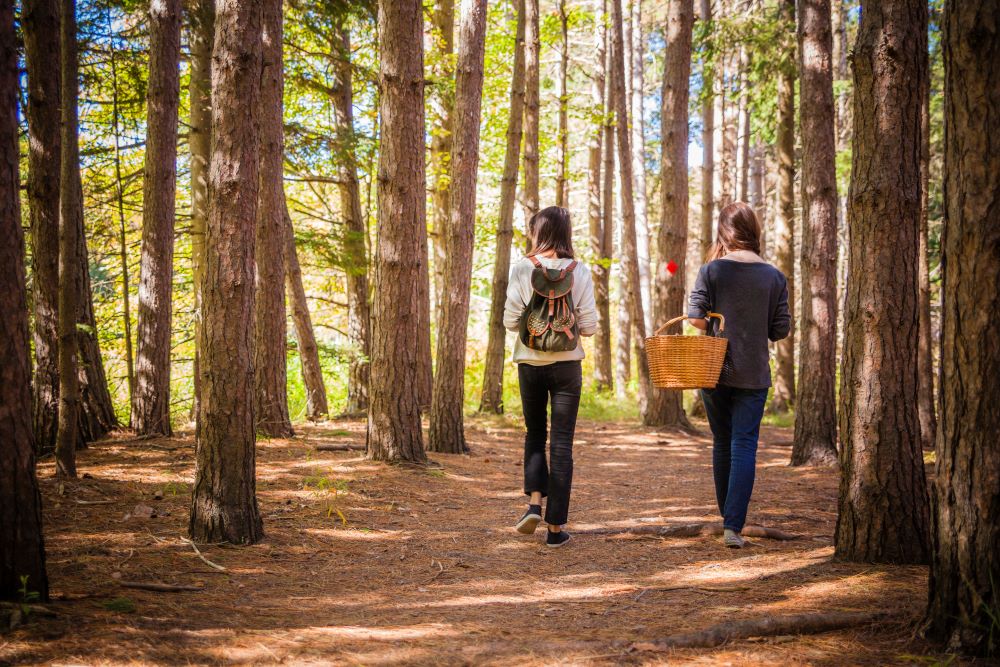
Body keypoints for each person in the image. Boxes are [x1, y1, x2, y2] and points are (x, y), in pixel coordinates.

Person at [687, 201, 790, 548]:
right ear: (754, 232)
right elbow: (780, 331)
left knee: (721, 441)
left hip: (714, 369)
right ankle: (733, 525)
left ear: (724, 232)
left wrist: (719, 319)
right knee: (743, 444)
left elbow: (695, 318)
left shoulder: (712, 271)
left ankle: (727, 519)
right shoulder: (775, 276)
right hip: (754, 372)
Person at [503, 206, 597, 548]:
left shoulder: (522, 267)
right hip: (568, 366)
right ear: (566, 233)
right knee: (562, 444)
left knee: (534, 434)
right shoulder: (579, 270)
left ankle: (533, 504)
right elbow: (587, 325)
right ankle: (555, 529)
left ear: (538, 231)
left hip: (529, 362)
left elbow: (510, 321)